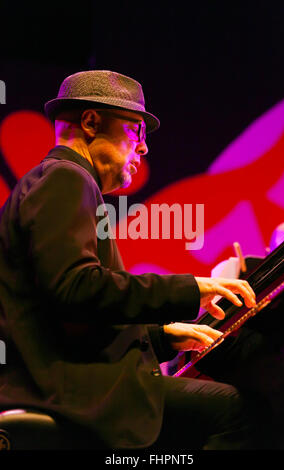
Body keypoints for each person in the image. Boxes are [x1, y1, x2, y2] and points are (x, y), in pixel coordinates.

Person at [0, 70, 261, 450]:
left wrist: (160, 337)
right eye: (136, 131)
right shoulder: (66, 178)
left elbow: (69, 316)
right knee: (236, 412)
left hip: (58, 381)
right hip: (63, 391)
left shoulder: (59, 180)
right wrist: (191, 288)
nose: (143, 148)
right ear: (91, 122)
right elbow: (76, 288)